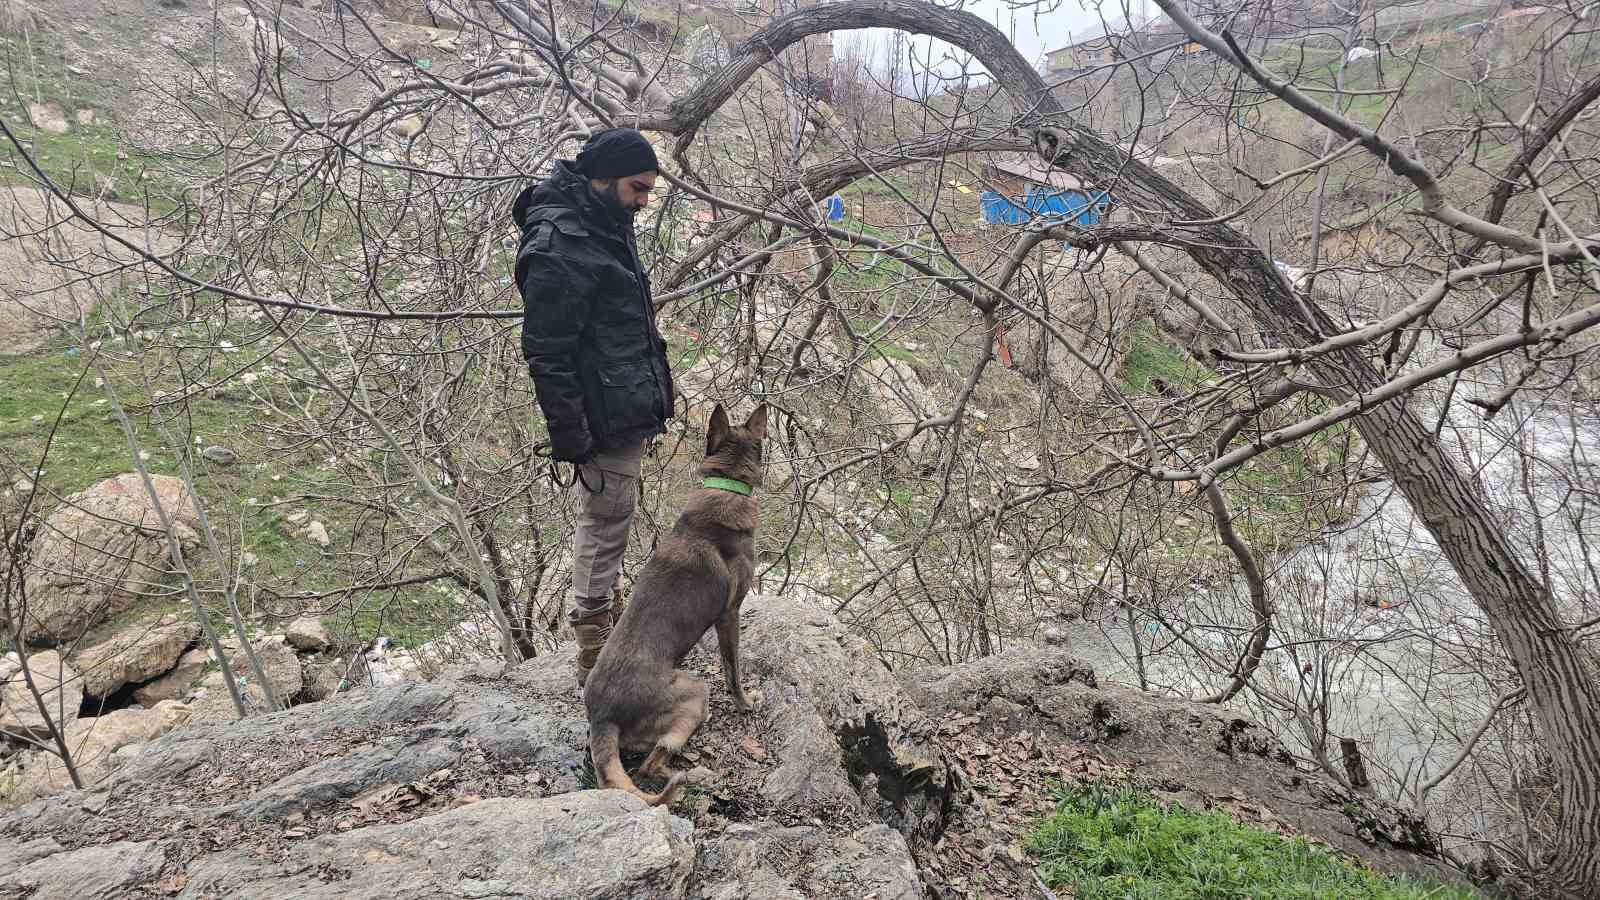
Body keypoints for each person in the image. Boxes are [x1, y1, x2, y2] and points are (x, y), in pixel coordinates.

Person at [511, 128, 673, 686]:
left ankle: (606, 630)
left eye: (649, 190)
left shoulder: (604, 221)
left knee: (614, 518)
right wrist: (571, 435)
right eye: (637, 187)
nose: (644, 200)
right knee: (605, 523)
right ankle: (595, 655)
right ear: (601, 177)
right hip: (599, 416)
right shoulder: (563, 241)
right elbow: (547, 350)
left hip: (621, 404)